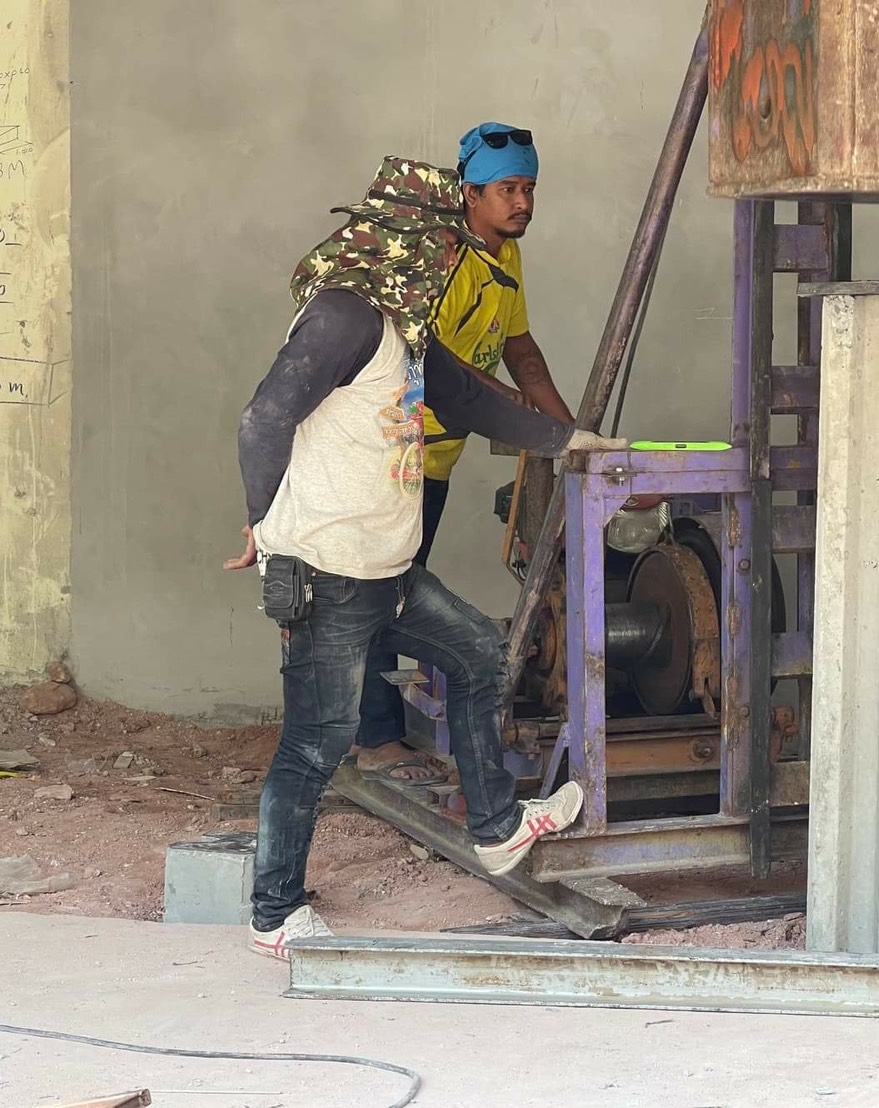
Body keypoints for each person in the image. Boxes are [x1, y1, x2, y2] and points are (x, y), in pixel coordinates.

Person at [226, 157, 621, 959]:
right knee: (316, 742)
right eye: (444, 248)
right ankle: (274, 916)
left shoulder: (402, 326)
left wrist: (575, 444)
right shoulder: (342, 317)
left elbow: (469, 399)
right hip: (327, 570)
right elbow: (262, 420)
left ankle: (497, 829)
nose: (450, 264)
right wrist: (264, 525)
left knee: (477, 654)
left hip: (386, 568)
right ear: (403, 241)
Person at [351, 121, 574, 786]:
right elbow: (432, 362)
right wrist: (510, 409)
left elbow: (521, 352)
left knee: (399, 587)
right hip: (391, 457)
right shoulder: (444, 260)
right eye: (508, 189)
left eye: (529, 188)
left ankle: (371, 730)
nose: (522, 202)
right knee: (377, 593)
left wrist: (576, 438)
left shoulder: (505, 258)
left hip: (435, 461)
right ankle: (374, 738)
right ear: (470, 195)